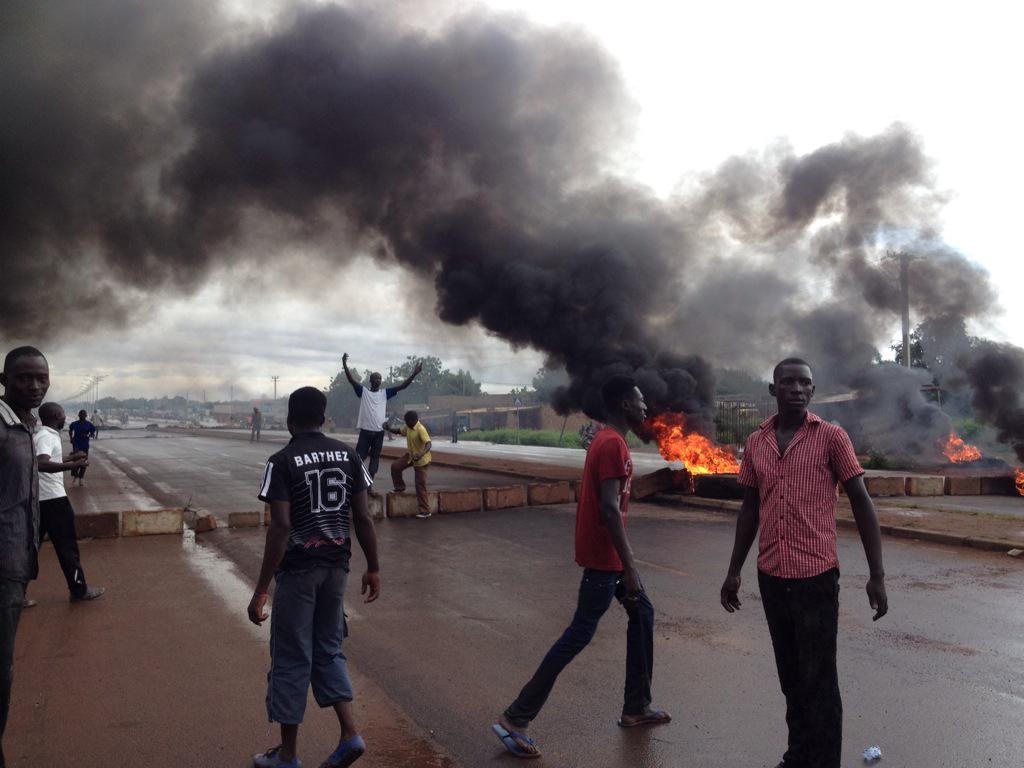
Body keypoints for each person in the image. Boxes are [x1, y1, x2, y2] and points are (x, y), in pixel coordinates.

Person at [720, 358, 888, 768]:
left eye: (805, 383)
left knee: (820, 682)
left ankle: (824, 761)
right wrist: (734, 570)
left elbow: (862, 503)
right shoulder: (757, 443)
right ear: (773, 390)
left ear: (812, 391)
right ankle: (798, 756)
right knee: (791, 678)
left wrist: (877, 575)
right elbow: (749, 509)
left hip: (815, 579)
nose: (797, 388)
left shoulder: (831, 438)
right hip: (772, 576)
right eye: (788, 381)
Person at [491, 375, 671, 759]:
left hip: (608, 558)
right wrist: (629, 565)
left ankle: (636, 706)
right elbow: (608, 507)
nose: (644, 407)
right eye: (639, 401)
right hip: (605, 560)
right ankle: (516, 717)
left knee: (643, 613)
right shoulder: (612, 444)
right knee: (578, 634)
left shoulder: (611, 441)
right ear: (624, 404)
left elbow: (613, 505)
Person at [249, 386, 381, 768]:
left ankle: (288, 756)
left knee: (291, 657)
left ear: (290, 420)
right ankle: (350, 734)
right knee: (328, 649)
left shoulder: (282, 460)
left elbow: (281, 527)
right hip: (337, 568)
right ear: (324, 419)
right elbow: (363, 517)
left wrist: (261, 589)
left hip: (299, 572)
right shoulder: (349, 455)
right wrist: (373, 566)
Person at [1, 346, 49, 768]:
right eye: (22, 377)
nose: (33, 385)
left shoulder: (25, 426)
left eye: (40, 378)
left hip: (15, 563)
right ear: (4, 381)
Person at [30, 403, 105, 603]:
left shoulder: (41, 435)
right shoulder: (47, 437)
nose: (65, 417)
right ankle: (79, 591)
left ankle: (14, 594)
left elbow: (46, 459)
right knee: (67, 547)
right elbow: (42, 463)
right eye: (63, 414)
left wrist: (71, 456)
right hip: (54, 501)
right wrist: (74, 465)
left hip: (40, 501)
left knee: (30, 548)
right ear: (57, 416)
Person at [341, 354, 422, 479]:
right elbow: (351, 380)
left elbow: (403, 386)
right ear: (370, 381)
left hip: (379, 432)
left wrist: (414, 374)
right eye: (375, 378)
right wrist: (345, 364)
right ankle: (355, 481)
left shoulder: (385, 393)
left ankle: (370, 484)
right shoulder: (364, 392)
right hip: (366, 431)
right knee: (359, 457)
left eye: (380, 378)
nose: (378, 380)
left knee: (375, 458)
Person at [383, 411, 433, 519]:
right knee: (396, 466)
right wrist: (389, 428)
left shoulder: (421, 429)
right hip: (411, 456)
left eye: (407, 422)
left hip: (421, 460)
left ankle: (425, 511)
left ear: (413, 421)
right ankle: (400, 487)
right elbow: (399, 431)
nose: (406, 424)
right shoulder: (409, 427)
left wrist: (421, 454)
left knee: (420, 485)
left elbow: (429, 444)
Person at [67, 410, 97, 486]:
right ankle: (75, 476)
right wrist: (71, 438)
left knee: (84, 461)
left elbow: (93, 435)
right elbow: (70, 430)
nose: (82, 416)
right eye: (81, 414)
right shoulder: (74, 424)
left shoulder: (89, 425)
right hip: (76, 444)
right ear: (78, 415)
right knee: (76, 460)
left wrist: (87, 435)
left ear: (86, 416)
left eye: (84, 414)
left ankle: (81, 478)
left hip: (85, 445)